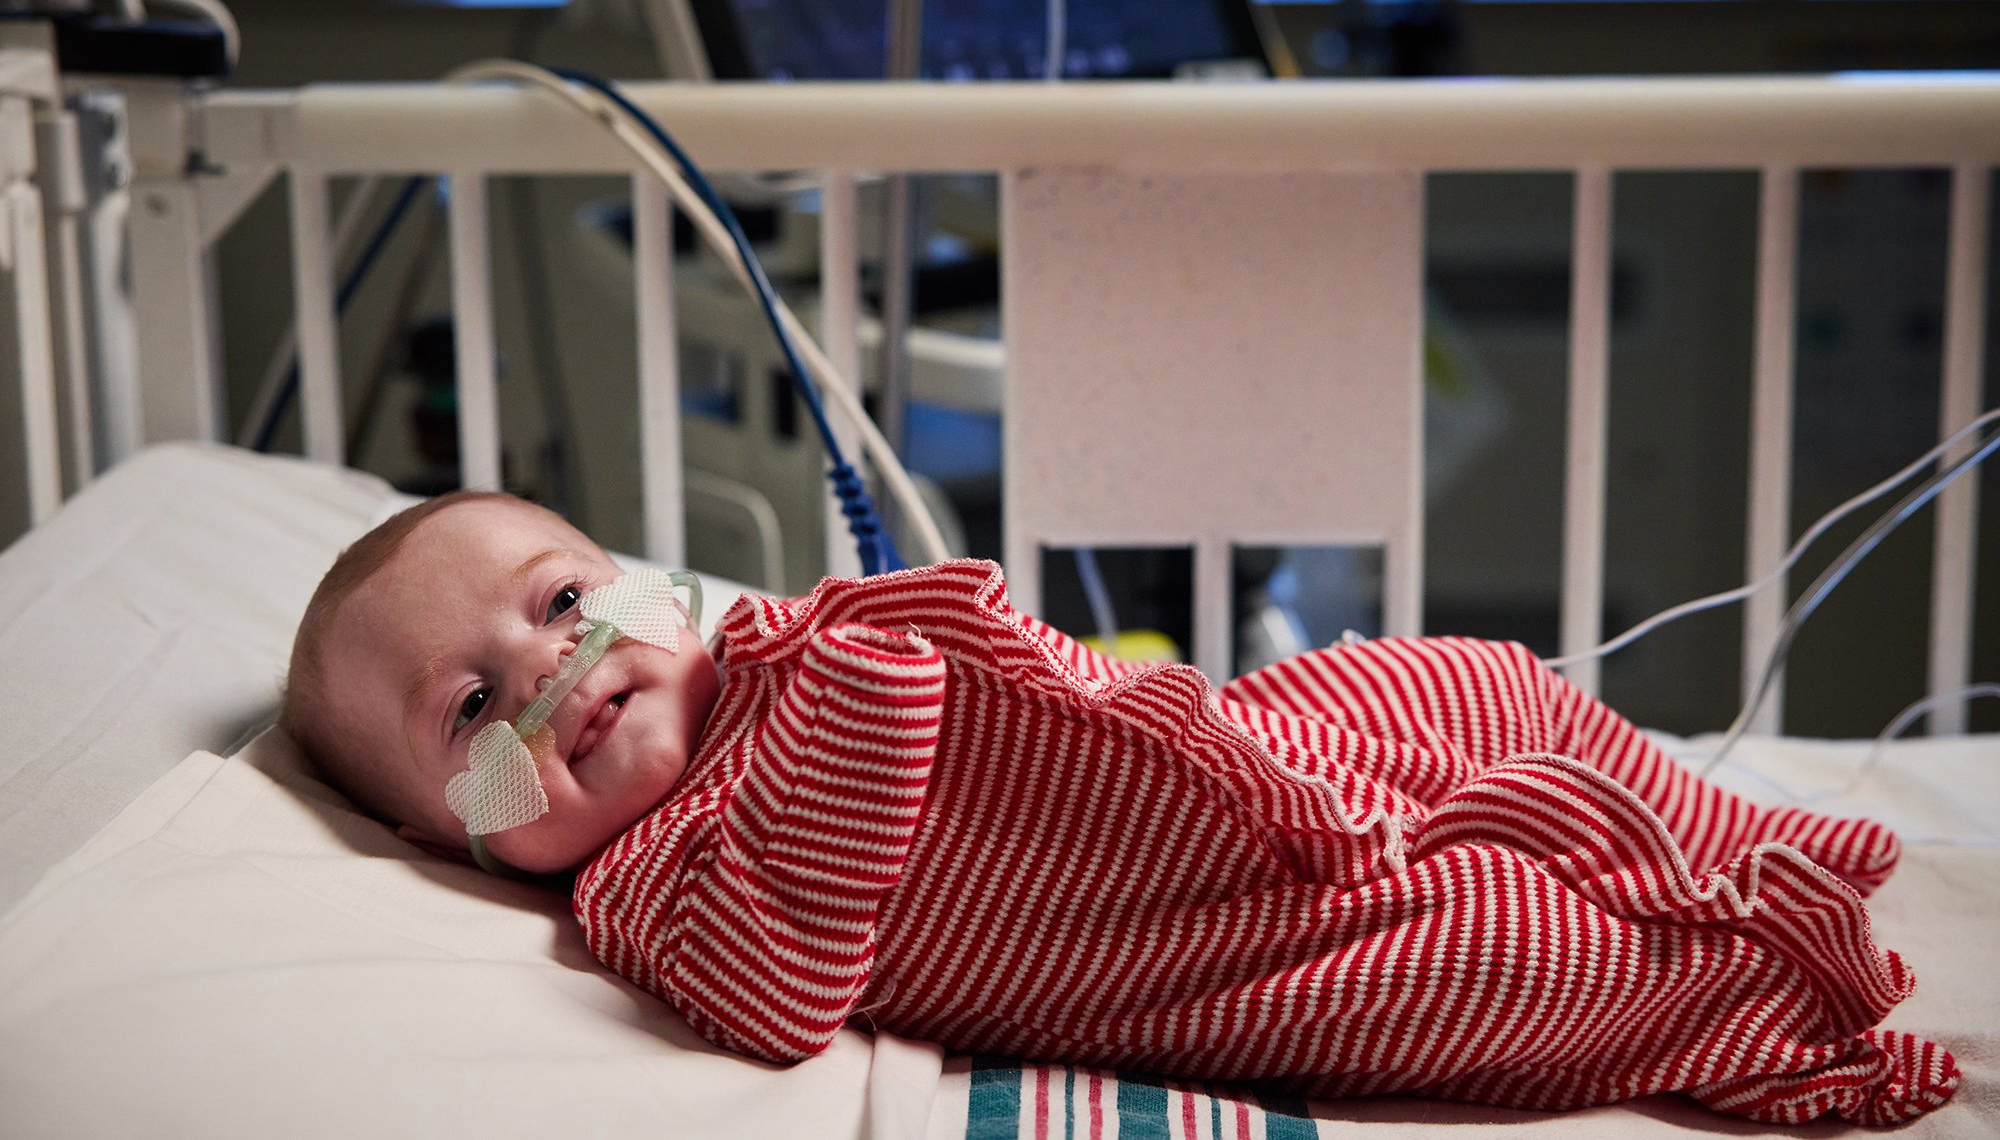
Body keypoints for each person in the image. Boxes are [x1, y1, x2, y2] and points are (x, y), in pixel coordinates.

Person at [284, 489, 1958, 1127]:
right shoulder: (646, 882)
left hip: (1235, 745)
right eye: (475, 707)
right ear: (453, 839)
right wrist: (884, 669)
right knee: (1505, 952)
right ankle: (1765, 999)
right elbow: (788, 979)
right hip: (1236, 938)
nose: (552, 666)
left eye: (562, 596)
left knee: (1482, 684)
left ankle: (1745, 846)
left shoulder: (773, 644)